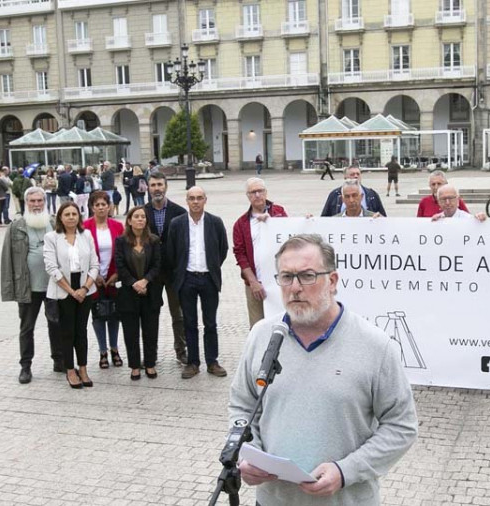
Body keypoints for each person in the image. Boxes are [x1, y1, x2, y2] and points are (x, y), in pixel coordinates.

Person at [230, 234, 418, 504]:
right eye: (286, 277)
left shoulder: (376, 346)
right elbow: (242, 406)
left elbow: (401, 427)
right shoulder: (261, 336)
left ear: (332, 281)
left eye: (307, 276)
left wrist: (345, 471)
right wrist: (246, 452)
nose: (295, 288)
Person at [1, 187, 63, 383]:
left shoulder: (54, 223)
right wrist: (10, 288)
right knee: (27, 328)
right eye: (32, 201)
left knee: (56, 323)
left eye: (39, 201)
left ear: (44, 202)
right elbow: (7, 259)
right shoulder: (16, 226)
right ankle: (25, 366)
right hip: (28, 288)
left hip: (54, 285)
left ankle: (59, 360)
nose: (36, 205)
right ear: (25, 203)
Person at [167, 186, 229, 379]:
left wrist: (212, 266)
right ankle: (193, 362)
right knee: (189, 323)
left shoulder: (215, 222)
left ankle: (212, 361)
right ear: (187, 201)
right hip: (187, 279)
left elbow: (223, 248)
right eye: (192, 198)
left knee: (210, 323)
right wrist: (180, 273)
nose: (195, 202)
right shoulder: (177, 224)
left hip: (208, 278)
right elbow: (171, 251)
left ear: (205, 200)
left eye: (199, 198)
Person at [44, 202, 99, 389]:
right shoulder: (52, 237)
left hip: (85, 288)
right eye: (66, 214)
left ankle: (83, 368)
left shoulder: (87, 235)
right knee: (67, 332)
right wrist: (71, 291)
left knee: (81, 331)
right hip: (63, 290)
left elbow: (95, 265)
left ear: (79, 216)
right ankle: (70, 369)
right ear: (60, 217)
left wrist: (84, 289)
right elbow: (52, 267)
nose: (71, 217)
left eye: (74, 213)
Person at [144, 172, 188, 364]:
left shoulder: (179, 212)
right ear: (148, 188)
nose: (157, 189)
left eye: (160, 185)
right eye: (153, 185)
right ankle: (150, 354)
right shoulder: (142, 212)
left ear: (166, 186)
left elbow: (186, 243)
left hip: (173, 273)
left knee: (178, 314)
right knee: (150, 314)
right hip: (150, 273)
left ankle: (181, 350)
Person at [233, 178, 289, 328]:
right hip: (255, 284)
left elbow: (290, 237)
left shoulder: (279, 212)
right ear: (248, 196)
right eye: (253, 192)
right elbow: (240, 254)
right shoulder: (241, 223)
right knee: (258, 327)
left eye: (260, 191)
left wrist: (272, 223)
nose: (257, 195)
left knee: (282, 325)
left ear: (266, 193)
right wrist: (253, 282)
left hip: (279, 282)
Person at [115, 206, 163, 381]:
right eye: (136, 216)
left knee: (151, 331)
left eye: (143, 217)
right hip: (129, 294)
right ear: (129, 220)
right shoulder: (121, 241)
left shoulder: (154, 240)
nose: (140, 219)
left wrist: (145, 281)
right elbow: (119, 265)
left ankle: (149, 364)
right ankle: (135, 366)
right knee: (131, 332)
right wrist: (134, 283)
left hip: (150, 293)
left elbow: (158, 265)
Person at [82, 191, 125, 370]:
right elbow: (82, 255)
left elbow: (123, 252)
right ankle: (102, 351)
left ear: (109, 206)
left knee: (114, 315)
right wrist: (94, 276)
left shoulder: (117, 226)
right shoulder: (84, 227)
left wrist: (117, 275)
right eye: (97, 204)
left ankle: (114, 348)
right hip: (93, 279)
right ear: (92, 207)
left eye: (104, 204)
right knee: (98, 315)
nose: (101, 207)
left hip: (113, 278)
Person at [320, 166, 386, 217]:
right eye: (352, 174)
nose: (356, 176)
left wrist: (380, 220)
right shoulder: (334, 194)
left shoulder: (371, 194)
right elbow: (324, 218)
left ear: (361, 196)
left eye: (358, 174)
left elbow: (383, 217)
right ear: (345, 177)